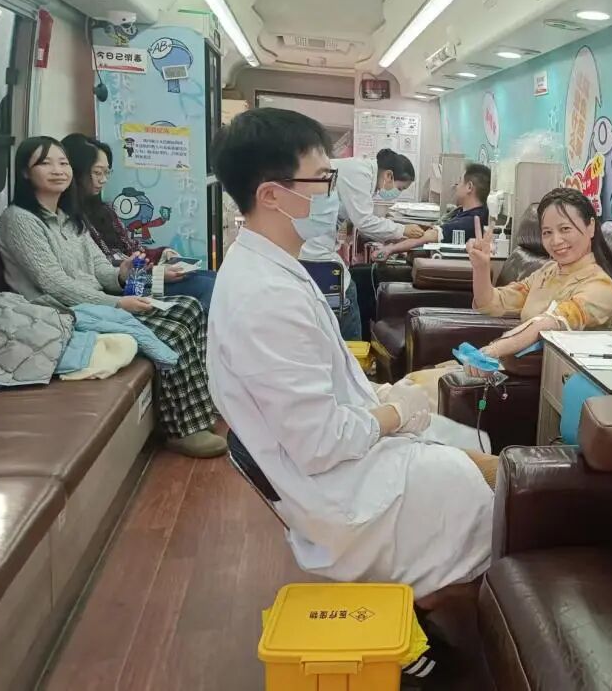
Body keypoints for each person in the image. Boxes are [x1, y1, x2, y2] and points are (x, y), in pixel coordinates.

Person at [207, 107, 495, 604]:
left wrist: (384, 398)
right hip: (341, 489)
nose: (332, 193)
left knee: (476, 455)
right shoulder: (266, 299)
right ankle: (462, 608)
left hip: (341, 462)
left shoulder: (271, 267)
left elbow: (322, 388)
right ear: (271, 195)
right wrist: (394, 413)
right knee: (486, 484)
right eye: (323, 179)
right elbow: (320, 442)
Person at [0, 136, 226, 458]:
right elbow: (54, 284)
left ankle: (199, 408)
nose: (58, 170)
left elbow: (103, 271)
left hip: (95, 303)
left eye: (63, 163)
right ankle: (180, 429)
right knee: (173, 329)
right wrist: (117, 303)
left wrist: (125, 273)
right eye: (45, 163)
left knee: (189, 307)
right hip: (61, 313)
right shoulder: (19, 220)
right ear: (24, 171)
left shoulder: (69, 218)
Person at [406, 188, 612, 397]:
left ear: (591, 227)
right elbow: (492, 304)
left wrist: (491, 351)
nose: (555, 241)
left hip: (550, 386)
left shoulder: (600, 287)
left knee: (413, 394)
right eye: (547, 232)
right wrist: (481, 268)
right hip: (506, 366)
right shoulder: (548, 272)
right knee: (411, 383)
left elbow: (547, 324)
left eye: (565, 229)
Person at [62, 133, 218, 312]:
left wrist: (161, 253)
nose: (103, 179)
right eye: (97, 172)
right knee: (208, 287)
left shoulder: (104, 211)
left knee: (213, 278)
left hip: (138, 277)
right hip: (124, 289)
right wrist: (157, 275)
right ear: (77, 171)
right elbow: (106, 271)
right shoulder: (70, 220)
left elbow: (131, 249)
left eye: (107, 172)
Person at [299, 148, 424, 340]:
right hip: (313, 249)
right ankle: (354, 350)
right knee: (348, 293)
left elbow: (355, 217)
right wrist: (402, 230)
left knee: (351, 287)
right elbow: (364, 221)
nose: (397, 194)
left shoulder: (361, 173)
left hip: (316, 245)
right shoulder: (360, 173)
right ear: (389, 175)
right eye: (400, 188)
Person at [372, 162, 491, 259]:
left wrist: (390, 249)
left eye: (460, 181)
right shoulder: (465, 212)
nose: (456, 185)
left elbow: (426, 237)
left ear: (469, 187)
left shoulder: (470, 221)